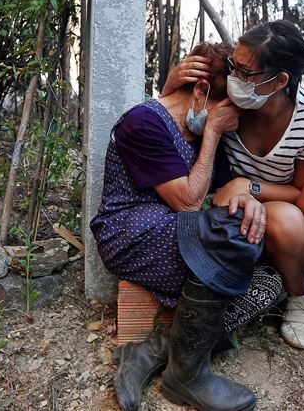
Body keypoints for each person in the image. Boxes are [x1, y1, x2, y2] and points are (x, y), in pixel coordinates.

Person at [163, 20, 304, 377]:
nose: (234, 78)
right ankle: (298, 297)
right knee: (283, 221)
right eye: (233, 66)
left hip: (298, 217)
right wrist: (172, 84)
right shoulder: (227, 104)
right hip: (267, 226)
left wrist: (250, 185)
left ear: (279, 82)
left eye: (245, 72)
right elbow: (176, 124)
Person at [90, 42, 282, 411]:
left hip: (180, 234)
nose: (232, 123)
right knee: (231, 243)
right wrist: (211, 133)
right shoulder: (143, 121)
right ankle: (187, 376)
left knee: (272, 277)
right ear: (199, 91)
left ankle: (155, 350)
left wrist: (245, 200)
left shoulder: (200, 131)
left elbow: (220, 194)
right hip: (131, 232)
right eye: (226, 112)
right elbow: (190, 201)